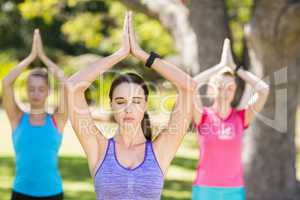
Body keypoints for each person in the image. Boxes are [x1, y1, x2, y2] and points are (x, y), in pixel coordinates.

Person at [66, 12, 196, 200]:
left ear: (145, 105)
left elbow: (189, 86)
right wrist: (120, 54)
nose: (128, 109)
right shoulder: (99, 147)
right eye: (120, 102)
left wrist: (142, 55)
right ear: (111, 105)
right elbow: (72, 87)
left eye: (136, 101)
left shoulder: (160, 150)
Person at [191, 38, 270, 200]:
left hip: (234, 191)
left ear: (235, 91)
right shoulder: (203, 116)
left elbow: (263, 89)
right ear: (211, 90)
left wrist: (235, 68)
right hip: (205, 189)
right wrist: (220, 66)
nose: (225, 91)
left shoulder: (241, 117)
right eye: (220, 86)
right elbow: (190, 84)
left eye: (230, 88)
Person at [2, 29, 68, 200]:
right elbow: (7, 82)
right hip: (21, 193)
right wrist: (32, 57)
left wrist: (44, 57)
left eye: (41, 89)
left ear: (48, 92)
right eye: (31, 89)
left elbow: (65, 83)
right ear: (26, 91)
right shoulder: (17, 118)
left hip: (52, 194)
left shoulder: (57, 120)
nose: (36, 93)